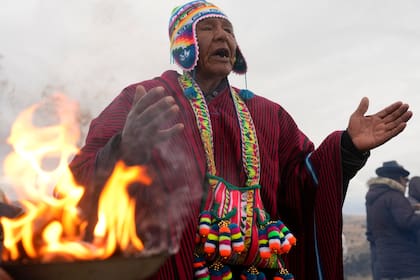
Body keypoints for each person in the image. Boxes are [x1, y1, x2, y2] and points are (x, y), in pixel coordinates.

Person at [68, 1, 412, 279]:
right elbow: (77, 180)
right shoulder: (146, 99)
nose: (224, 36)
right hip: (173, 269)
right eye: (208, 28)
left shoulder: (268, 115)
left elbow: (303, 184)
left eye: (229, 30)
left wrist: (347, 149)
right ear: (184, 42)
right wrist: (122, 150)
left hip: (258, 269)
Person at [365, 161, 420, 280]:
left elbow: (373, 231)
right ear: (398, 178)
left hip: (385, 264)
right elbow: (407, 222)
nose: (406, 184)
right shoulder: (395, 196)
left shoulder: (374, 198)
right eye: (405, 179)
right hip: (406, 265)